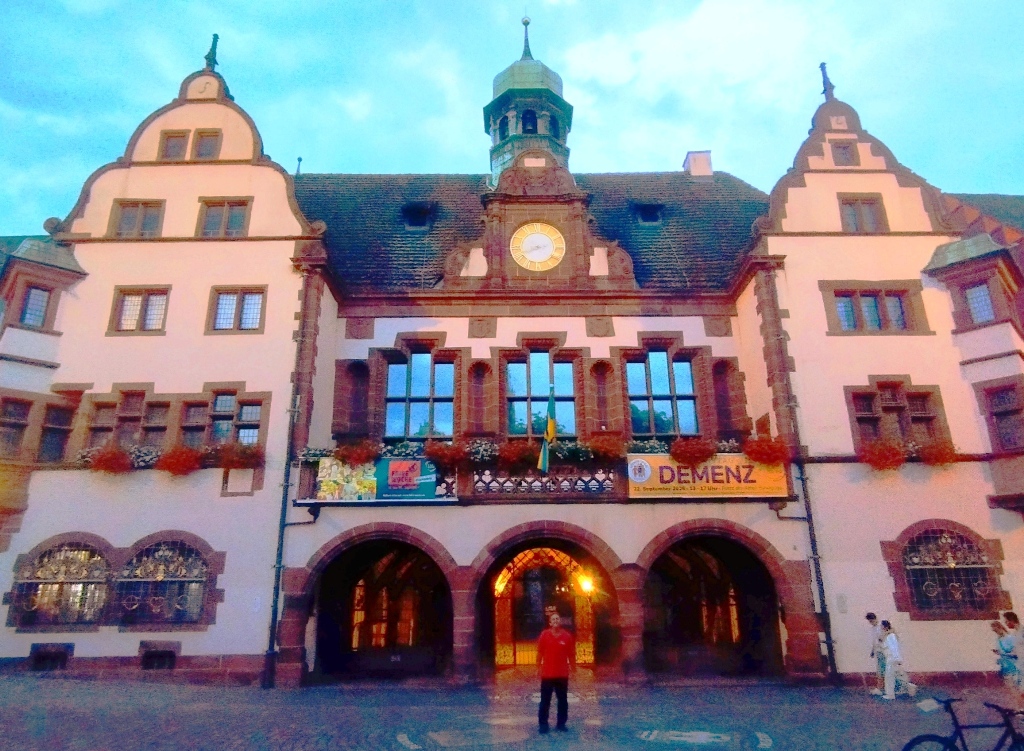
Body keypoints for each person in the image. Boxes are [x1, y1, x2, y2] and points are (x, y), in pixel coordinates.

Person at [537, 611, 575, 734]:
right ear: (550, 622)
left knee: (562, 700)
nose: (555, 621)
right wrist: (537, 667)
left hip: (562, 674)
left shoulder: (567, 636)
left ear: (560, 621)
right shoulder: (544, 635)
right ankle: (543, 724)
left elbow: (571, 654)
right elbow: (540, 652)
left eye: (557, 619)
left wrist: (573, 669)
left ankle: (561, 724)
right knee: (545, 700)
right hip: (547, 674)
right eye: (553, 619)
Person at [880, 620, 917, 700]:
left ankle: (890, 694)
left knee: (889, 677)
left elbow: (894, 648)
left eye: (882, 626)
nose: (881, 628)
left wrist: (897, 658)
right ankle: (907, 688)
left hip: (892, 658)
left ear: (885, 627)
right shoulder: (889, 635)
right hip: (892, 658)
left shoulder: (890, 636)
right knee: (897, 676)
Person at [992, 620, 1023, 693]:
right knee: (1010, 687)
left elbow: (1015, 652)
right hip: (1005, 665)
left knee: (1014, 687)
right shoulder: (998, 639)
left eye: (996, 630)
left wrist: (1003, 653)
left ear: (999, 628)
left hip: (1012, 665)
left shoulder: (1010, 638)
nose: (996, 632)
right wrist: (999, 652)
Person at [866, 612, 885, 695]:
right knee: (880, 670)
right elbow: (875, 641)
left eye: (872, 621)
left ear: (875, 619)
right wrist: (873, 651)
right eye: (870, 621)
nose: (871, 623)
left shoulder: (881, 627)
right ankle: (881, 688)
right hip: (878, 651)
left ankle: (880, 688)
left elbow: (883, 639)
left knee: (882, 670)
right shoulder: (873, 629)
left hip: (883, 651)